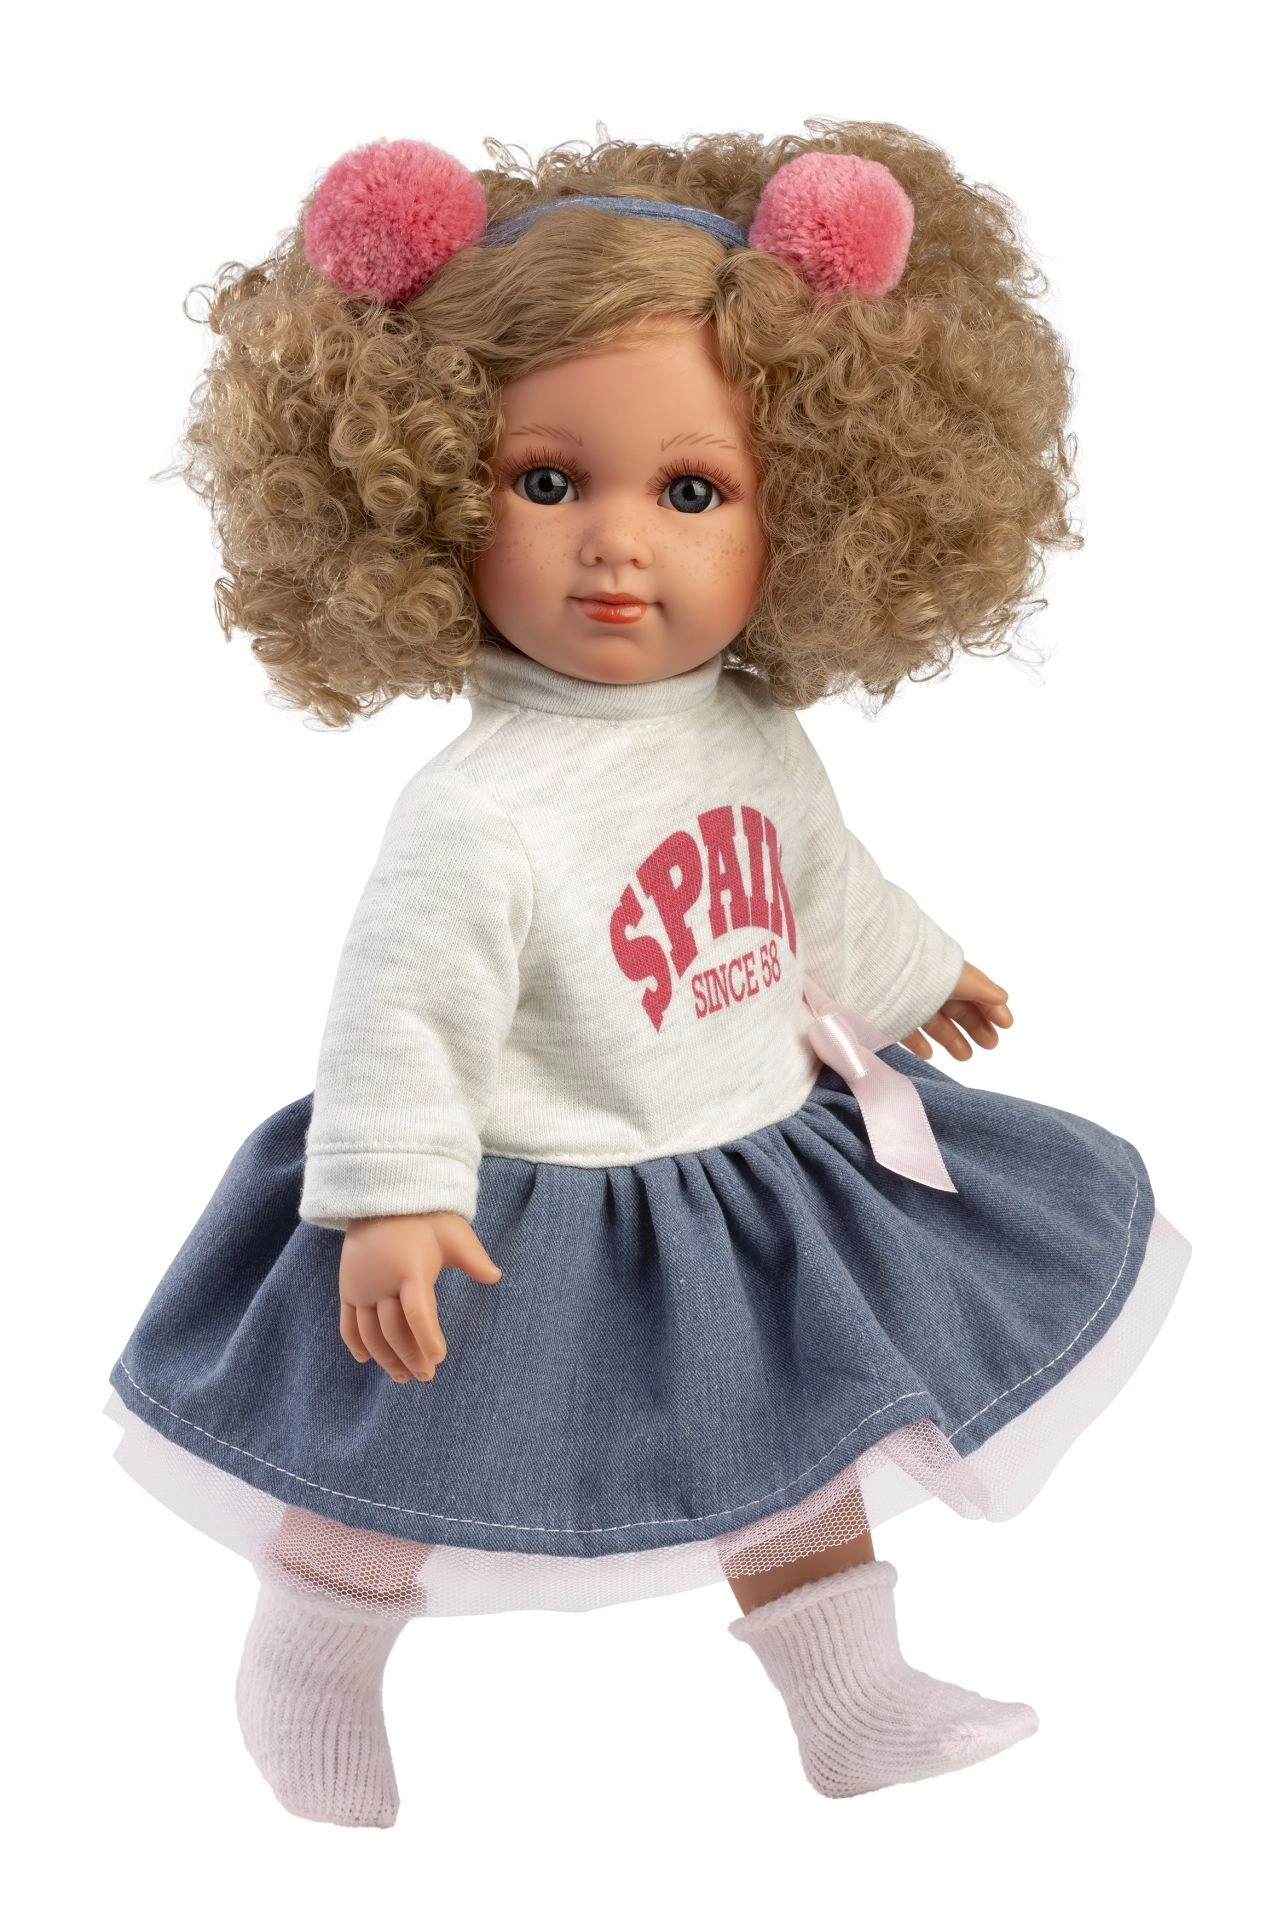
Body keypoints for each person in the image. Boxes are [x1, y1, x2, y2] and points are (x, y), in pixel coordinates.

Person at [106, 124, 1190, 1827]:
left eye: (692, 492)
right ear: (427, 502)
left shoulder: (750, 729)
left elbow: (817, 883)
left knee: (806, 1423)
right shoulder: (479, 809)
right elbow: (400, 1011)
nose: (618, 546)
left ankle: (853, 1701)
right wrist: (394, 1196)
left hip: (749, 1158)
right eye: (548, 483)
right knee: (386, 1456)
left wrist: (918, 975)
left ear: (803, 513)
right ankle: (307, 1659)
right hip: (526, 1192)